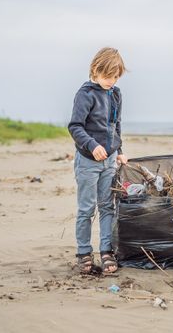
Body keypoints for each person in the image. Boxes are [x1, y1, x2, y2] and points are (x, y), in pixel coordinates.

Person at [68, 47, 128, 274]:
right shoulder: (85, 94)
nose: (111, 81)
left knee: (107, 207)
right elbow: (75, 126)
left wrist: (119, 149)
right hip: (87, 161)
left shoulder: (116, 94)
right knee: (86, 208)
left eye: (116, 77)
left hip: (110, 161)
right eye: (107, 76)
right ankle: (84, 252)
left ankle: (106, 250)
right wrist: (92, 146)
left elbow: (116, 125)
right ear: (95, 70)